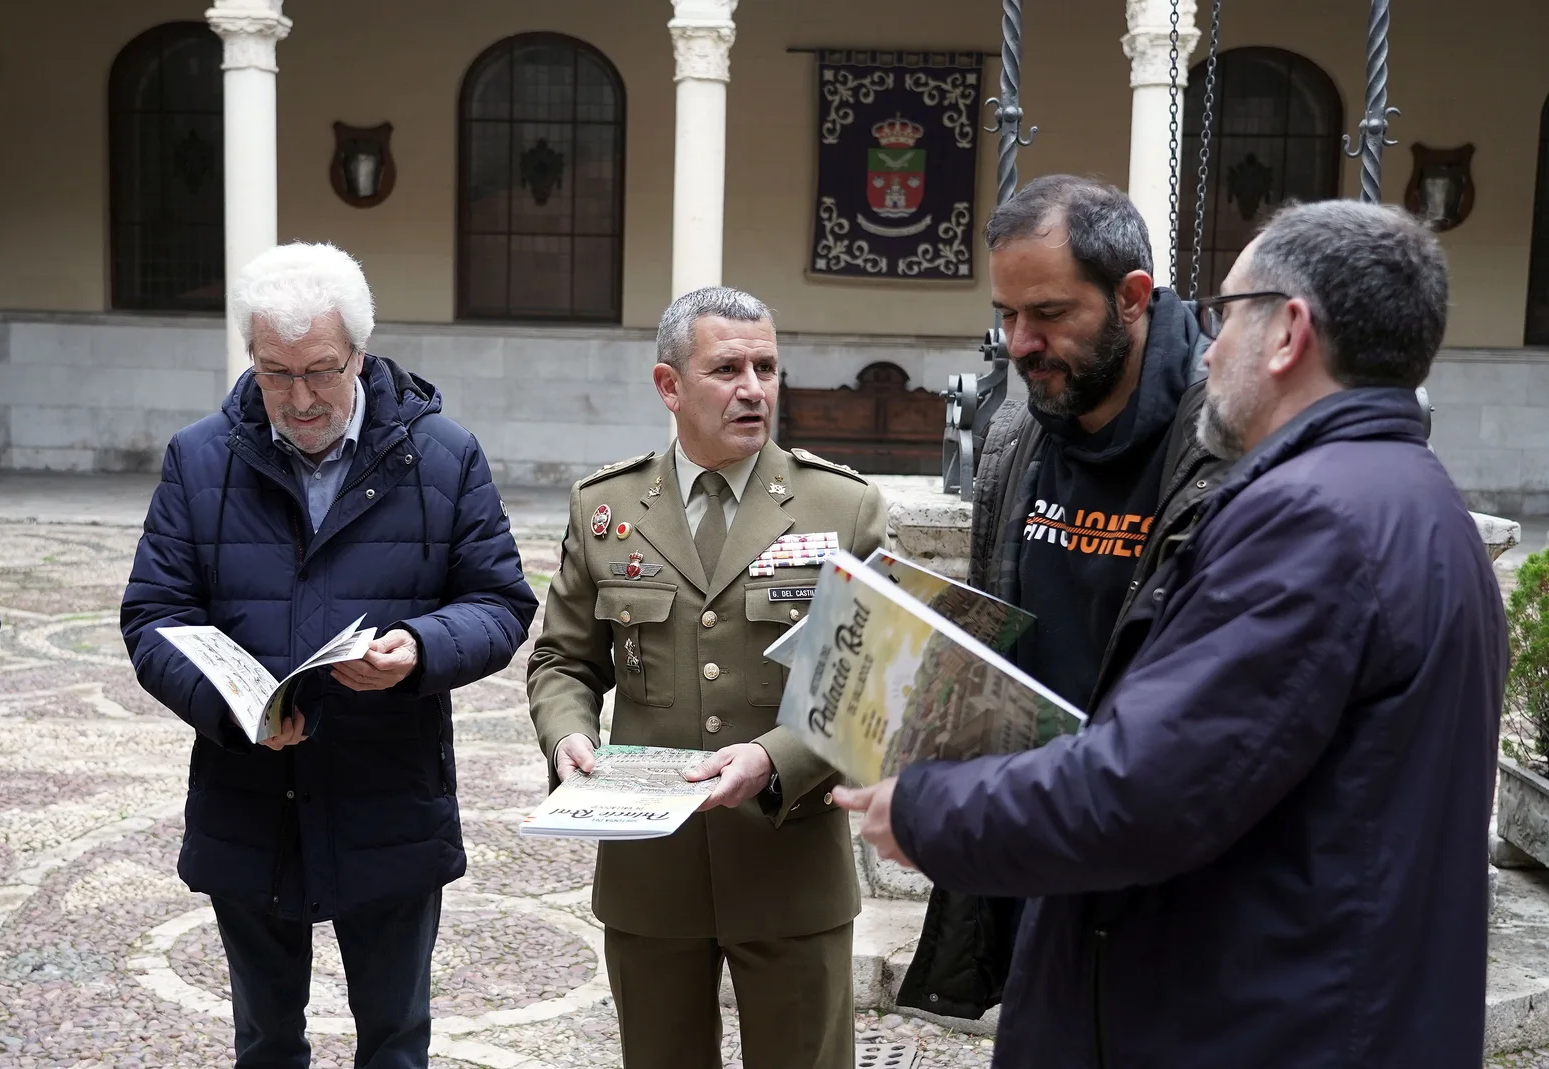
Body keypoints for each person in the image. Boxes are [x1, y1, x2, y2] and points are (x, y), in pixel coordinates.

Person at [842, 201, 1508, 1067]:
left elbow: (1145, 790)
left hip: (1245, 1018)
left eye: (1225, 315)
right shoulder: (1410, 498)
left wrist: (927, 809)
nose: (1208, 344)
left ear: (1288, 332)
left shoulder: (1316, 522)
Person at [119, 242, 537, 1069]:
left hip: (390, 795)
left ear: (360, 354)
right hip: (250, 796)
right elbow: (153, 616)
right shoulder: (200, 457)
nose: (300, 398)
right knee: (267, 1041)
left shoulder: (443, 455)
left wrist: (418, 649)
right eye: (275, 373)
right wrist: (235, 709)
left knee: (394, 1040)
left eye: (320, 370)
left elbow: (501, 601)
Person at [528, 287, 889, 1069]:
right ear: (670, 386)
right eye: (727, 368)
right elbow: (563, 660)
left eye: (766, 366)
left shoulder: (844, 507)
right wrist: (568, 738)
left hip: (789, 864)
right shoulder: (607, 507)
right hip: (652, 876)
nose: (753, 388)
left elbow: (865, 685)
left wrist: (773, 759)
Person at [896, 174, 1228, 1018]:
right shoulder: (1016, 433)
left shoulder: (1228, 448)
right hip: (1033, 841)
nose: (1019, 343)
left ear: (1131, 297)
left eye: (1047, 314)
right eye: (1006, 315)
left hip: (1161, 868)